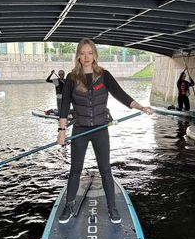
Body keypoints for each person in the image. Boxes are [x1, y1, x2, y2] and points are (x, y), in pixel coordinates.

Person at [57, 38, 153, 225]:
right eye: (83, 53)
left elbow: (121, 94)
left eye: (90, 53)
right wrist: (62, 131)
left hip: (100, 128)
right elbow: (64, 106)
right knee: (75, 170)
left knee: (105, 170)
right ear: (78, 55)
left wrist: (141, 107)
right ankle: (69, 205)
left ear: (95, 55)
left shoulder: (104, 75)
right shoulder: (71, 78)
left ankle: (112, 208)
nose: (86, 57)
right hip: (80, 129)